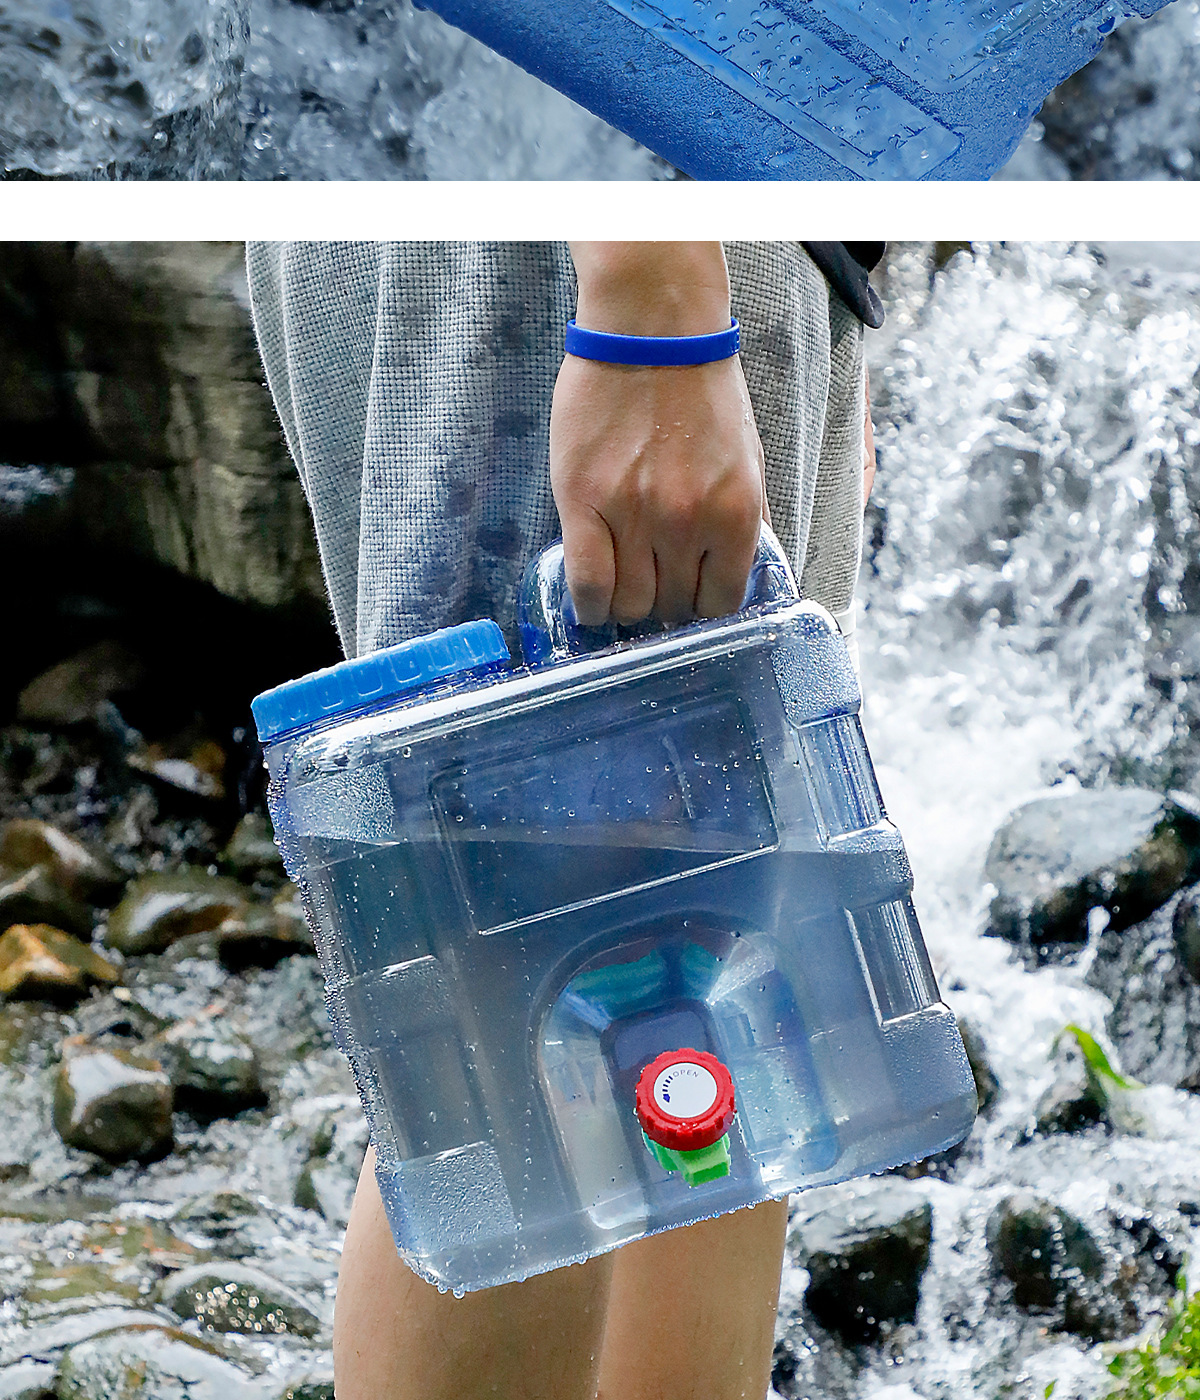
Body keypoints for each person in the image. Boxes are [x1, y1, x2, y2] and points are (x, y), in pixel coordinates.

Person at [246, 239, 881, 1400]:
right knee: (510, 1008)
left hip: (722, 269)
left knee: (722, 957)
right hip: (585, 277)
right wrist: (654, 302)